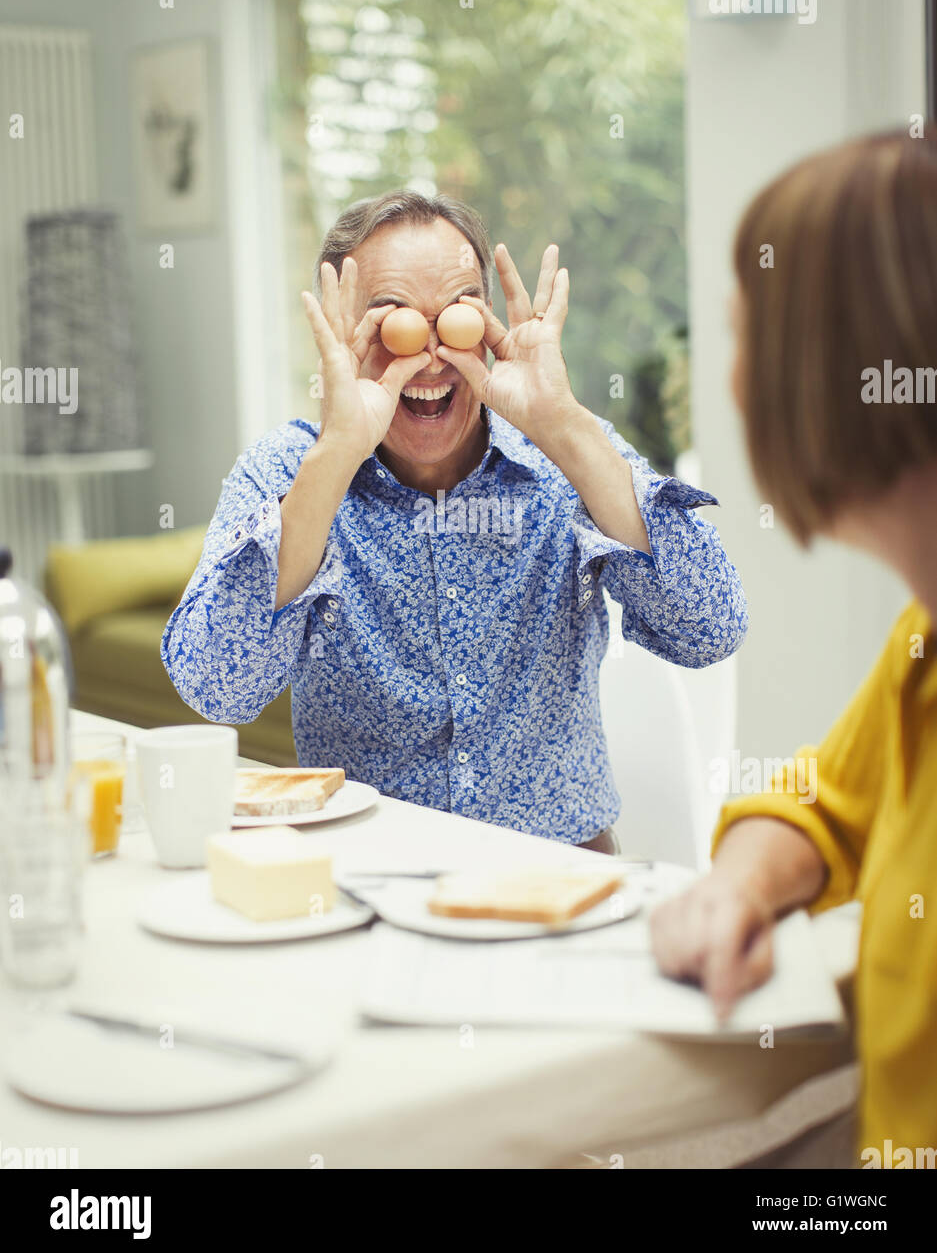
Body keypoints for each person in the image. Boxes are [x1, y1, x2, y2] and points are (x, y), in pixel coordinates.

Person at [162, 190, 747, 850]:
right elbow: (216, 688)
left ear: (488, 324)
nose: (431, 356)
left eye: (457, 316)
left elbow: (709, 629)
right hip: (364, 884)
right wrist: (337, 454)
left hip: (559, 878)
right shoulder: (289, 471)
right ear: (339, 333)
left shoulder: (566, 455)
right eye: (392, 322)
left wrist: (565, 426)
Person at [650, 128, 937, 1163]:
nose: (731, 386)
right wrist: (736, 887)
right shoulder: (922, 638)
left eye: (743, 339)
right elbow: (823, 800)